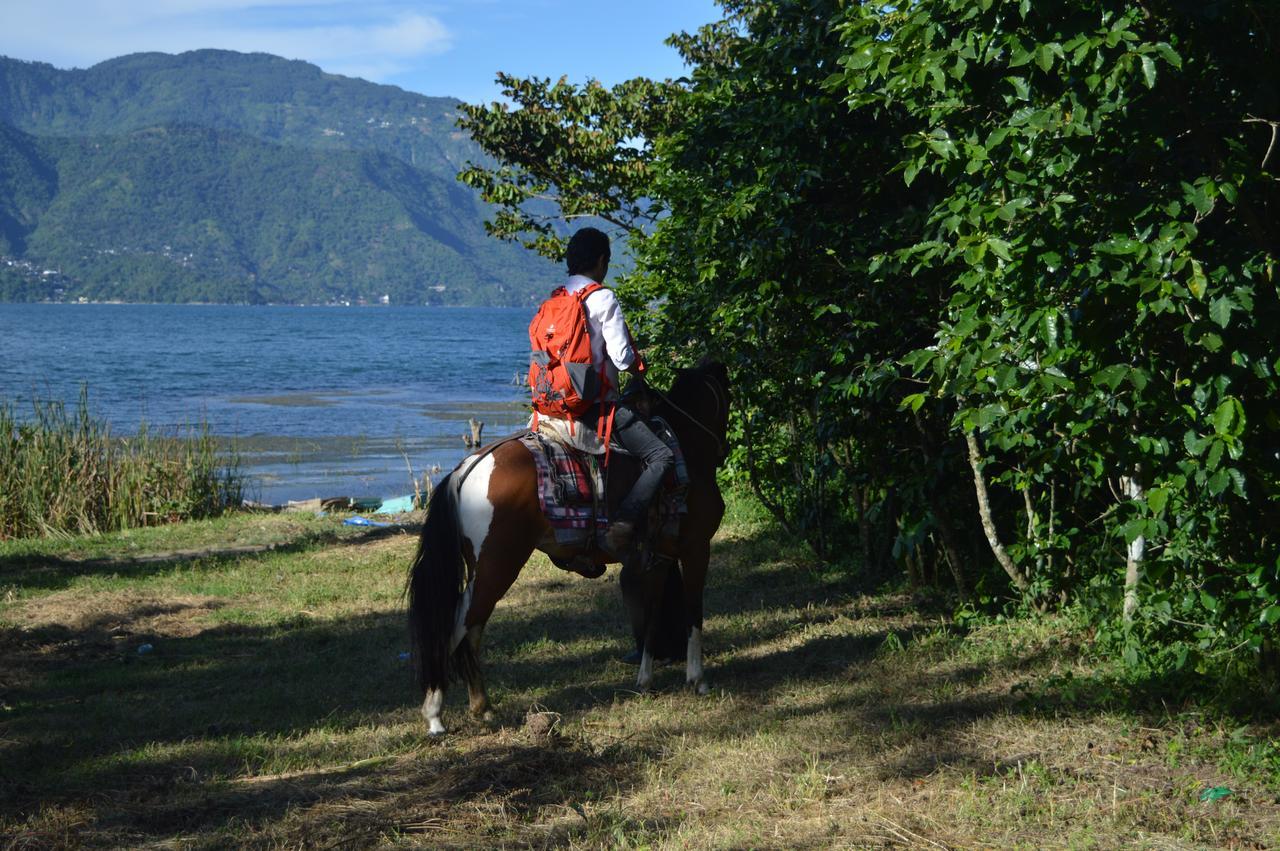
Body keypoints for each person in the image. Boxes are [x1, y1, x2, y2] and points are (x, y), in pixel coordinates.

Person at [560, 227, 674, 555]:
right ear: (600, 261)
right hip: (595, 408)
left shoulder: (557, 296)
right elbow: (623, 359)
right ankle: (623, 525)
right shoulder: (601, 296)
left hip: (553, 407)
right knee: (660, 455)